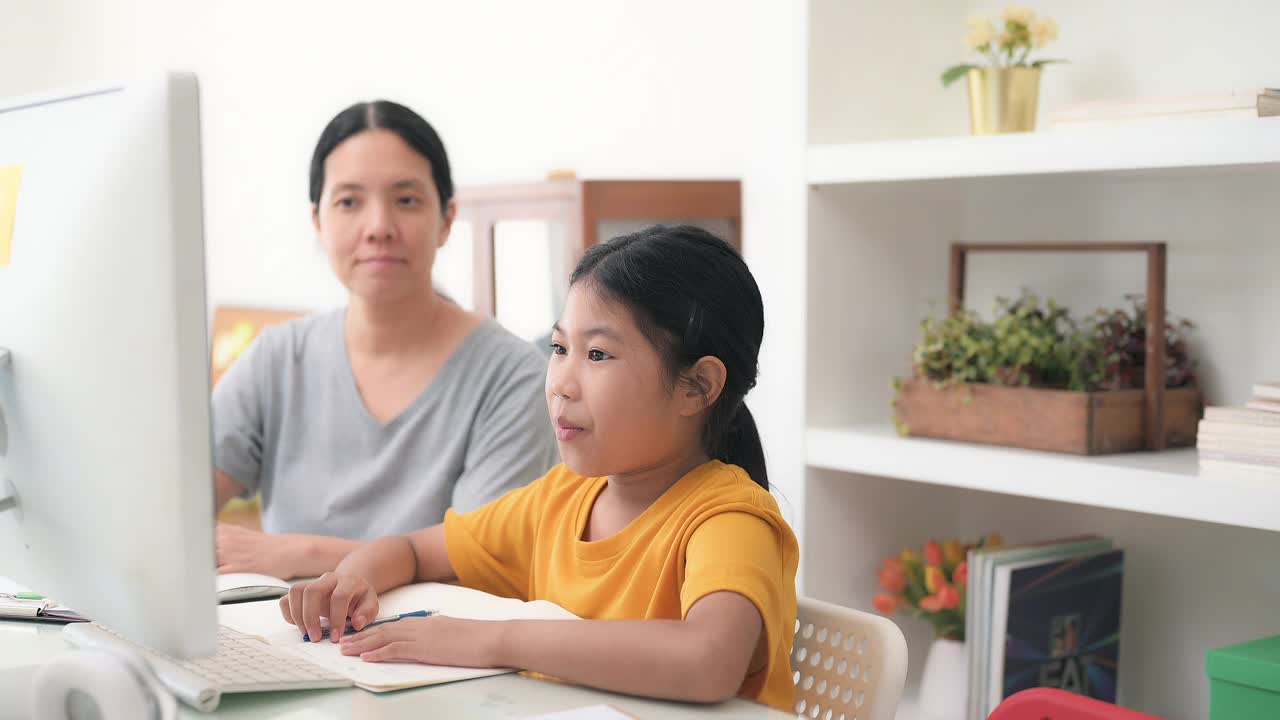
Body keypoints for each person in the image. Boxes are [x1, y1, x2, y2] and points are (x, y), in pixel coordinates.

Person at [279, 225, 799, 711]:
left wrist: (493, 640)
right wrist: (349, 581)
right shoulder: (563, 497)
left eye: (597, 355)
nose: (561, 383)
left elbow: (708, 661)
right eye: (559, 348)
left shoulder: (729, 518)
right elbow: (414, 551)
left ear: (697, 386)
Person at [212, 101, 558, 579]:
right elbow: (175, 510)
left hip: (431, 645)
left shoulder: (513, 376)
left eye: (407, 200)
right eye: (349, 202)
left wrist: (297, 554)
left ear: (447, 219)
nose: (378, 228)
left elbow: (478, 561)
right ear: (318, 221)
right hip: (279, 636)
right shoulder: (278, 357)